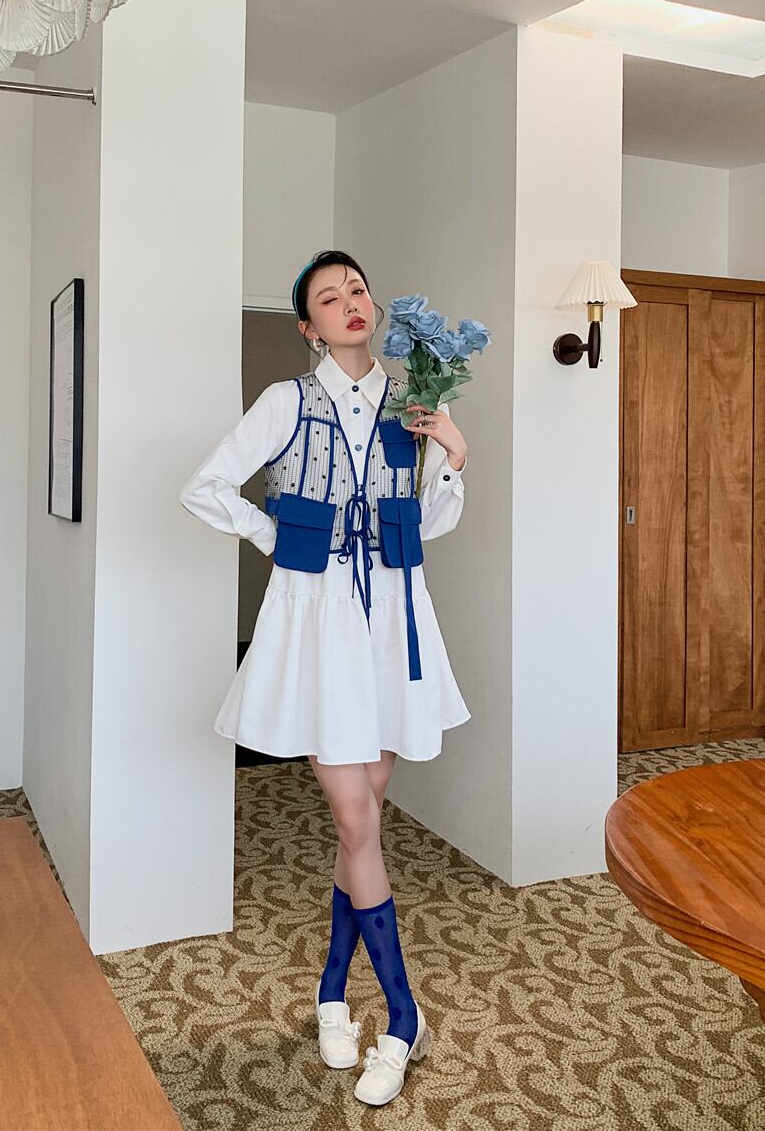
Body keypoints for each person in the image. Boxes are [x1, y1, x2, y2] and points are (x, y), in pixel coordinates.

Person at [179, 249, 471, 1106]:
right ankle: (404, 1018)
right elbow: (205, 486)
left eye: (358, 290)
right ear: (308, 328)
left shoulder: (415, 400)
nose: (350, 303)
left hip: (393, 618)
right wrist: (278, 537)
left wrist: (452, 453)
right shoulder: (286, 401)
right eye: (329, 298)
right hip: (317, 621)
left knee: (362, 819)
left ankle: (332, 994)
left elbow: (433, 522)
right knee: (355, 816)